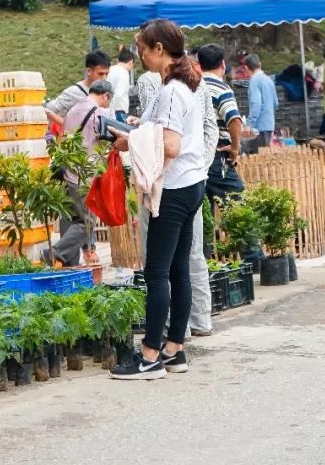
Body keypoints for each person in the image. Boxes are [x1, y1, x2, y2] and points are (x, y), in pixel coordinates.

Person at [109, 19, 206, 379]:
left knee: (157, 272)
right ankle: (174, 349)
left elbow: (169, 146)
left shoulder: (169, 91)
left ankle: (149, 356)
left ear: (159, 50)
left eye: (143, 50)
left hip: (176, 188)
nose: (141, 57)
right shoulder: (185, 84)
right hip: (194, 184)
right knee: (179, 269)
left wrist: (131, 141)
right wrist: (135, 132)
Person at [55, 80, 115, 267]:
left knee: (69, 218)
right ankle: (54, 253)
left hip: (66, 172)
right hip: (84, 174)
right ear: (105, 96)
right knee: (86, 222)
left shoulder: (72, 110)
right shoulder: (101, 113)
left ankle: (68, 263)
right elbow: (111, 138)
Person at [197, 45, 245, 204]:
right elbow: (234, 120)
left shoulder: (192, 87)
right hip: (217, 155)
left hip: (195, 156)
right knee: (237, 203)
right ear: (223, 65)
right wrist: (235, 147)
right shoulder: (221, 89)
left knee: (204, 210)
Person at [44, 50, 111, 127]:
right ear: (89, 71)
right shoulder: (74, 92)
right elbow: (47, 110)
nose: (104, 78)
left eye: (107, 74)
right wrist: (69, 127)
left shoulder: (105, 92)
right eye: (101, 74)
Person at [246, 53, 278, 150]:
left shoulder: (254, 81)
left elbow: (256, 104)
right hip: (269, 124)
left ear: (247, 68)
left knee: (258, 159)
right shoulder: (269, 80)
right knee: (266, 158)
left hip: (258, 127)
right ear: (260, 64)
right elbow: (275, 103)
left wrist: (249, 124)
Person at [107, 48, 135, 115]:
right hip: (118, 111)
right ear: (131, 62)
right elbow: (119, 94)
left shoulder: (110, 69)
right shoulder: (124, 73)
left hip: (107, 108)